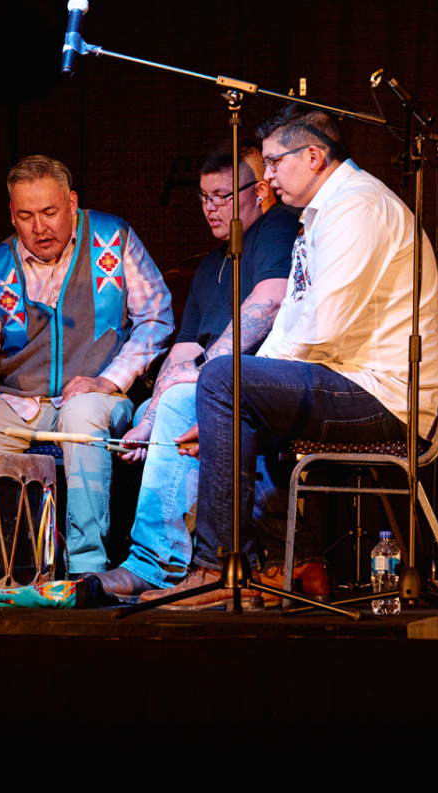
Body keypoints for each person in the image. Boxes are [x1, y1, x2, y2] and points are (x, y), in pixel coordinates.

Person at [141, 105, 438, 609]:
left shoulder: (358, 208)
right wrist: (232, 400)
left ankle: (218, 569)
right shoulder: (325, 212)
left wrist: (234, 387)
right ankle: (253, 569)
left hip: (383, 395)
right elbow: (295, 321)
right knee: (226, 387)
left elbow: (321, 327)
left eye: (276, 163)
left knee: (221, 380)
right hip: (349, 381)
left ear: (313, 155)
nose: (269, 177)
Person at [87, 141, 306, 599]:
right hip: (220, 389)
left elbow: (268, 303)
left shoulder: (277, 228)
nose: (212, 208)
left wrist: (203, 373)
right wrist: (148, 416)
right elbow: (182, 353)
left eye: (224, 196)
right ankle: (266, 553)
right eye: (205, 197)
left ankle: (155, 563)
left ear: (259, 191)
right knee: (154, 404)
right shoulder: (210, 266)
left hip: (274, 387)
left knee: (185, 399)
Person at [0, 155, 173, 577]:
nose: (40, 227)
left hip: (97, 395)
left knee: (82, 412)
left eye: (50, 212)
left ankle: (88, 565)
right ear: (12, 216)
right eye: (27, 216)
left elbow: (157, 317)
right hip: (18, 401)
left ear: (72, 203)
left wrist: (109, 380)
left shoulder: (112, 238)